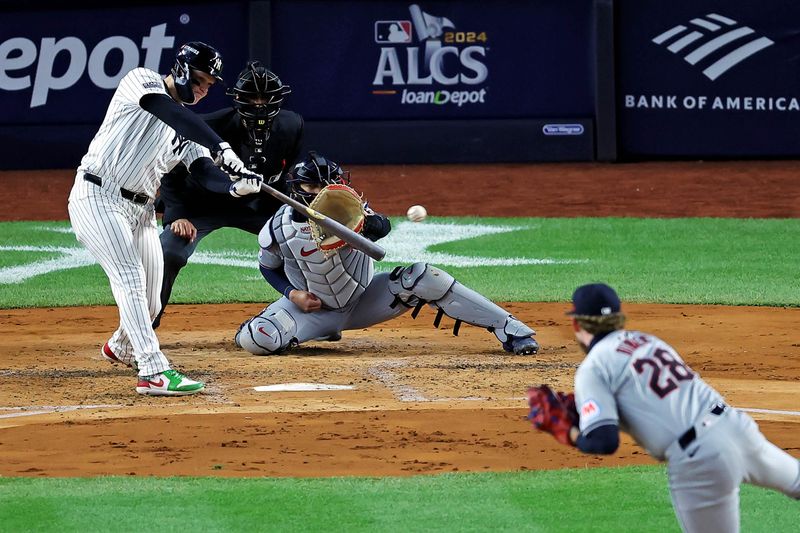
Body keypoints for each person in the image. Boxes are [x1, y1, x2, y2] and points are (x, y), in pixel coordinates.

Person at [68, 42, 264, 396]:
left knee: (152, 298)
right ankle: (152, 371)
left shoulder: (189, 128)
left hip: (140, 211)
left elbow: (204, 172)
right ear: (185, 70)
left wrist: (236, 187)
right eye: (202, 81)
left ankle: (122, 346)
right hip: (97, 196)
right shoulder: (141, 81)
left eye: (211, 85)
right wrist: (223, 146)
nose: (205, 90)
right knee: (129, 276)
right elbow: (169, 111)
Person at [528, 283, 800, 533]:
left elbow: (603, 441)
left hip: (700, 459)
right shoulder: (649, 342)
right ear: (618, 318)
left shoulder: (594, 367)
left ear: (576, 324)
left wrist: (570, 433)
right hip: (737, 429)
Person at [233, 151, 540, 357]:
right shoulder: (278, 227)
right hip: (311, 310)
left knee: (422, 277)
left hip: (364, 301)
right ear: (298, 188)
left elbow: (382, 226)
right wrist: (292, 294)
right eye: (314, 185)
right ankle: (301, 329)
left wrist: (366, 225)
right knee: (258, 339)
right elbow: (268, 268)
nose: (324, 189)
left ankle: (511, 329)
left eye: (330, 182)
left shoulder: (351, 209)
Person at [153, 61, 303, 328]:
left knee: (303, 243)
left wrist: (291, 219)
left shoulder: (292, 126)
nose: (259, 104)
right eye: (252, 97)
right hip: (201, 205)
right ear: (238, 99)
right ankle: (147, 323)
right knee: (168, 251)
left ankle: (315, 314)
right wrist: (177, 215)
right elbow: (170, 171)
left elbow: (289, 176)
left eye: (265, 97)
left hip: (257, 207)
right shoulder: (207, 127)